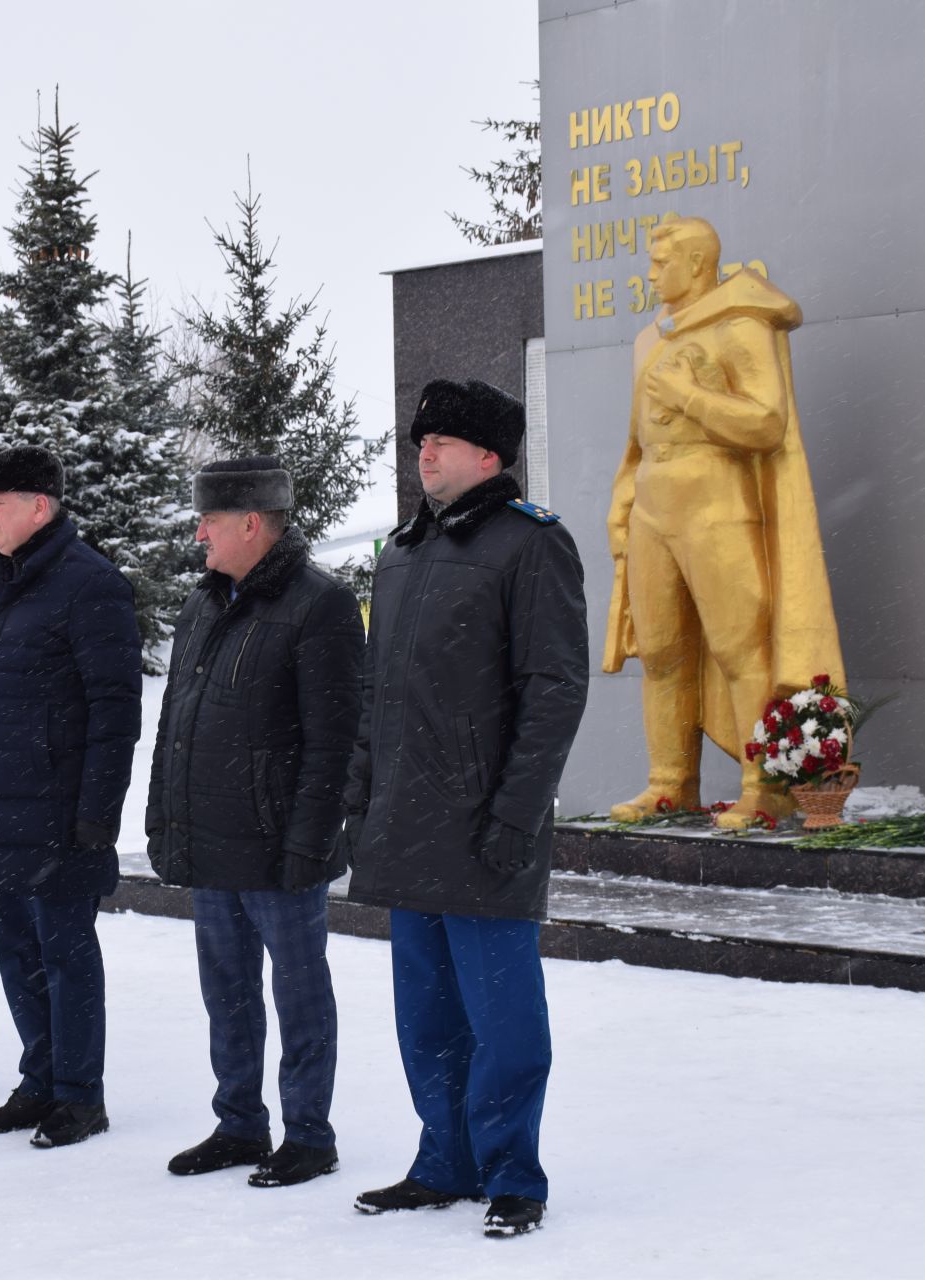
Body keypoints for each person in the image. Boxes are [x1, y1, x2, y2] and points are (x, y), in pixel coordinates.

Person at [346, 379, 588, 1238]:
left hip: (486, 825)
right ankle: (442, 1160)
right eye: (420, 442)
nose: (425, 454)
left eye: (442, 442)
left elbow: (552, 692)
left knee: (504, 1016)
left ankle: (513, 1173)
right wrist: (359, 799)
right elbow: (378, 692)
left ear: (490, 455)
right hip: (407, 825)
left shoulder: (531, 548)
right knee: (427, 1015)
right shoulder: (403, 553)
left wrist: (516, 815)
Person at [147, 457, 362, 1188]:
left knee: (299, 994)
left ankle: (308, 1133)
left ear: (251, 524)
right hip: (210, 837)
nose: (199, 532)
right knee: (227, 993)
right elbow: (175, 723)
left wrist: (310, 840)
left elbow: (335, 739)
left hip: (278, 846)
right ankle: (239, 1124)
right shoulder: (202, 605)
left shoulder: (320, 605)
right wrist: (163, 817)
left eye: (210, 519)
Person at [603, 216, 845, 829]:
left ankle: (763, 786)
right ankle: (669, 783)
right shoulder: (646, 340)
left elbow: (766, 422)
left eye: (661, 263)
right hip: (656, 505)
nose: (650, 273)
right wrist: (622, 501)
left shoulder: (743, 323)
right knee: (659, 652)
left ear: (697, 265)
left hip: (718, 499)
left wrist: (689, 396)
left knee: (742, 645)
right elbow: (636, 441)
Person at [0, 445, 142, 1149]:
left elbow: (114, 707)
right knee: (15, 950)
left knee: (65, 952)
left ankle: (79, 1095)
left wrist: (97, 809)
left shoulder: (89, 585)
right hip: (0, 806)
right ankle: (39, 1080)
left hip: (59, 810)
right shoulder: (2, 587)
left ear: (40, 507)